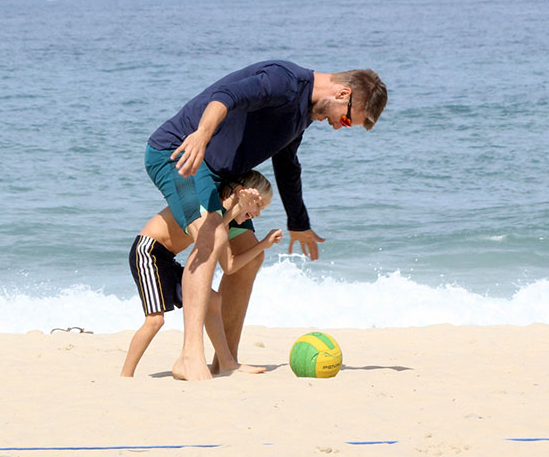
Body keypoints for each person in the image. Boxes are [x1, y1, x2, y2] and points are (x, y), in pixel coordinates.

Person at [145, 60, 387, 380]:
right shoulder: (283, 81)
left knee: (249, 258)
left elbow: (287, 164)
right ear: (343, 93)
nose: (338, 126)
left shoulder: (303, 114)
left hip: (222, 175)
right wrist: (202, 135)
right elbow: (226, 95)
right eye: (345, 118)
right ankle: (189, 357)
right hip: (180, 152)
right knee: (212, 235)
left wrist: (298, 222)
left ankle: (225, 360)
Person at [121, 170, 282, 378]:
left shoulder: (225, 221)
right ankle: (125, 376)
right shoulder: (208, 203)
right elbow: (208, 228)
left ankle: (227, 362)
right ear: (243, 193)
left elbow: (230, 266)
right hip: (148, 253)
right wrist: (236, 210)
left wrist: (263, 245)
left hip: (168, 259)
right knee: (155, 321)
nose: (259, 214)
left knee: (213, 300)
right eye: (258, 205)